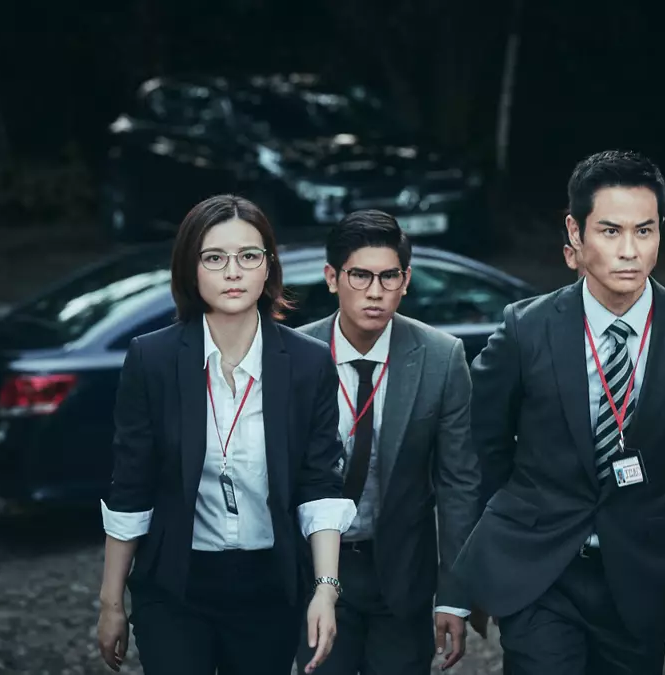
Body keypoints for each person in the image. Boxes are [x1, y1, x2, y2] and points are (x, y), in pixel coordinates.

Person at [452, 149, 665, 674]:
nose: (629, 250)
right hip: (539, 570)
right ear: (575, 233)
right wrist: (480, 565)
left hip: (639, 574)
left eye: (644, 231)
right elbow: (481, 450)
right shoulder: (525, 329)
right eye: (610, 231)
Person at [96, 195, 355, 675]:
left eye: (248, 256)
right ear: (190, 269)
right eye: (214, 258)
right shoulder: (152, 359)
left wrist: (325, 588)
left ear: (268, 267)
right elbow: (130, 485)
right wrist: (111, 602)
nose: (233, 272)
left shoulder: (308, 362)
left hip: (269, 586)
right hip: (175, 583)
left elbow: (320, 484)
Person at [292, 209, 481, 674]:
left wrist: (454, 596)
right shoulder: (294, 354)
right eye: (360, 276)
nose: (375, 292)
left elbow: (459, 483)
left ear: (406, 280)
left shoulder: (441, 356)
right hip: (313, 568)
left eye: (389, 276)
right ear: (332, 278)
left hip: (400, 570)